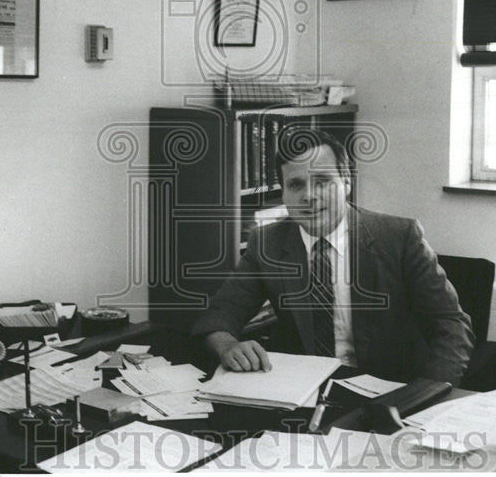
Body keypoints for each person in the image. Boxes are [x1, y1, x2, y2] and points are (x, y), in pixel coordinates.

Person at [191, 128, 475, 385]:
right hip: (303, 388)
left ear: (347, 183)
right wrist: (227, 345)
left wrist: (427, 393)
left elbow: (451, 324)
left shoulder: (399, 237)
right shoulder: (267, 243)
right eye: (296, 185)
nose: (309, 196)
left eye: (323, 181)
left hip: (388, 390)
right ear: (285, 193)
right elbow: (221, 313)